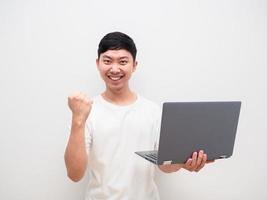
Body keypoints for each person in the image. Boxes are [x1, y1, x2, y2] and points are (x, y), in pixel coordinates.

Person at [64, 31, 213, 200]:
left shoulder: (152, 110)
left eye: (123, 61)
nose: (114, 68)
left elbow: (164, 166)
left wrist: (184, 162)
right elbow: (74, 174)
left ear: (134, 65)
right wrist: (78, 119)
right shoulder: (85, 112)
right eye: (107, 61)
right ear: (98, 64)